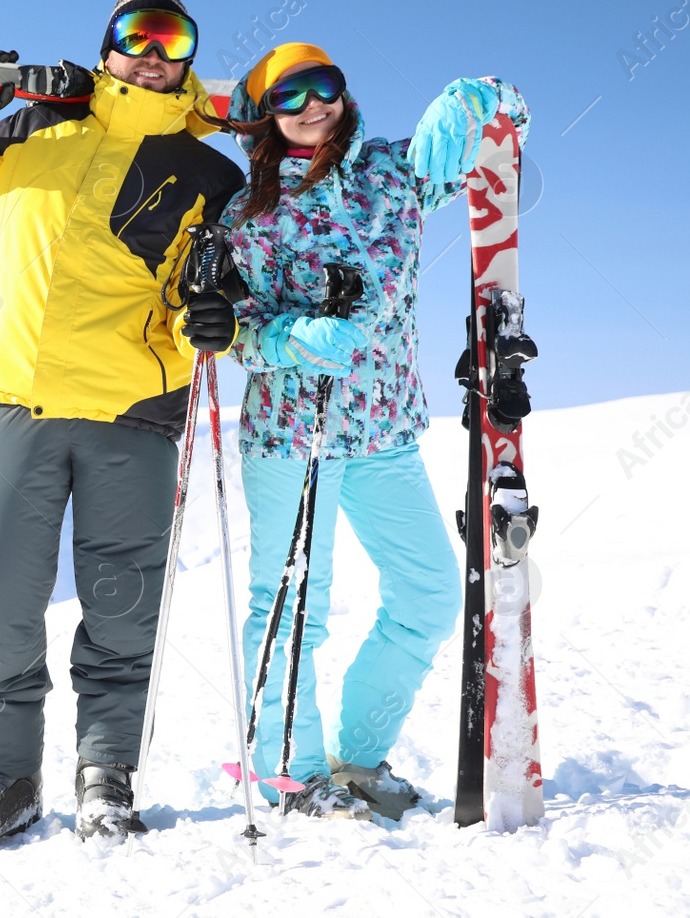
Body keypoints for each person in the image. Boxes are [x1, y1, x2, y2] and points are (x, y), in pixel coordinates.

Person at [0, 0, 246, 848]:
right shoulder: (34, 123)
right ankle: (5, 778)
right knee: (5, 607)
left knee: (122, 607)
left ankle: (107, 775)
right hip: (15, 400)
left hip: (132, 411)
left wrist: (209, 318)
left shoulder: (211, 172)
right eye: (137, 33)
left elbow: (193, 293)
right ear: (107, 45)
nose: (152, 52)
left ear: (188, 63)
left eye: (174, 42)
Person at [186, 43, 528, 819]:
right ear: (266, 114)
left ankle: (358, 755)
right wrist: (297, 336)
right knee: (290, 605)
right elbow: (229, 332)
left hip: (382, 431)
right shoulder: (249, 213)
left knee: (430, 592)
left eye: (325, 86)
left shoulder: (392, 176)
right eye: (290, 95)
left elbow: (492, 135)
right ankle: (290, 771)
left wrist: (480, 97)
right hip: (289, 435)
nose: (312, 105)